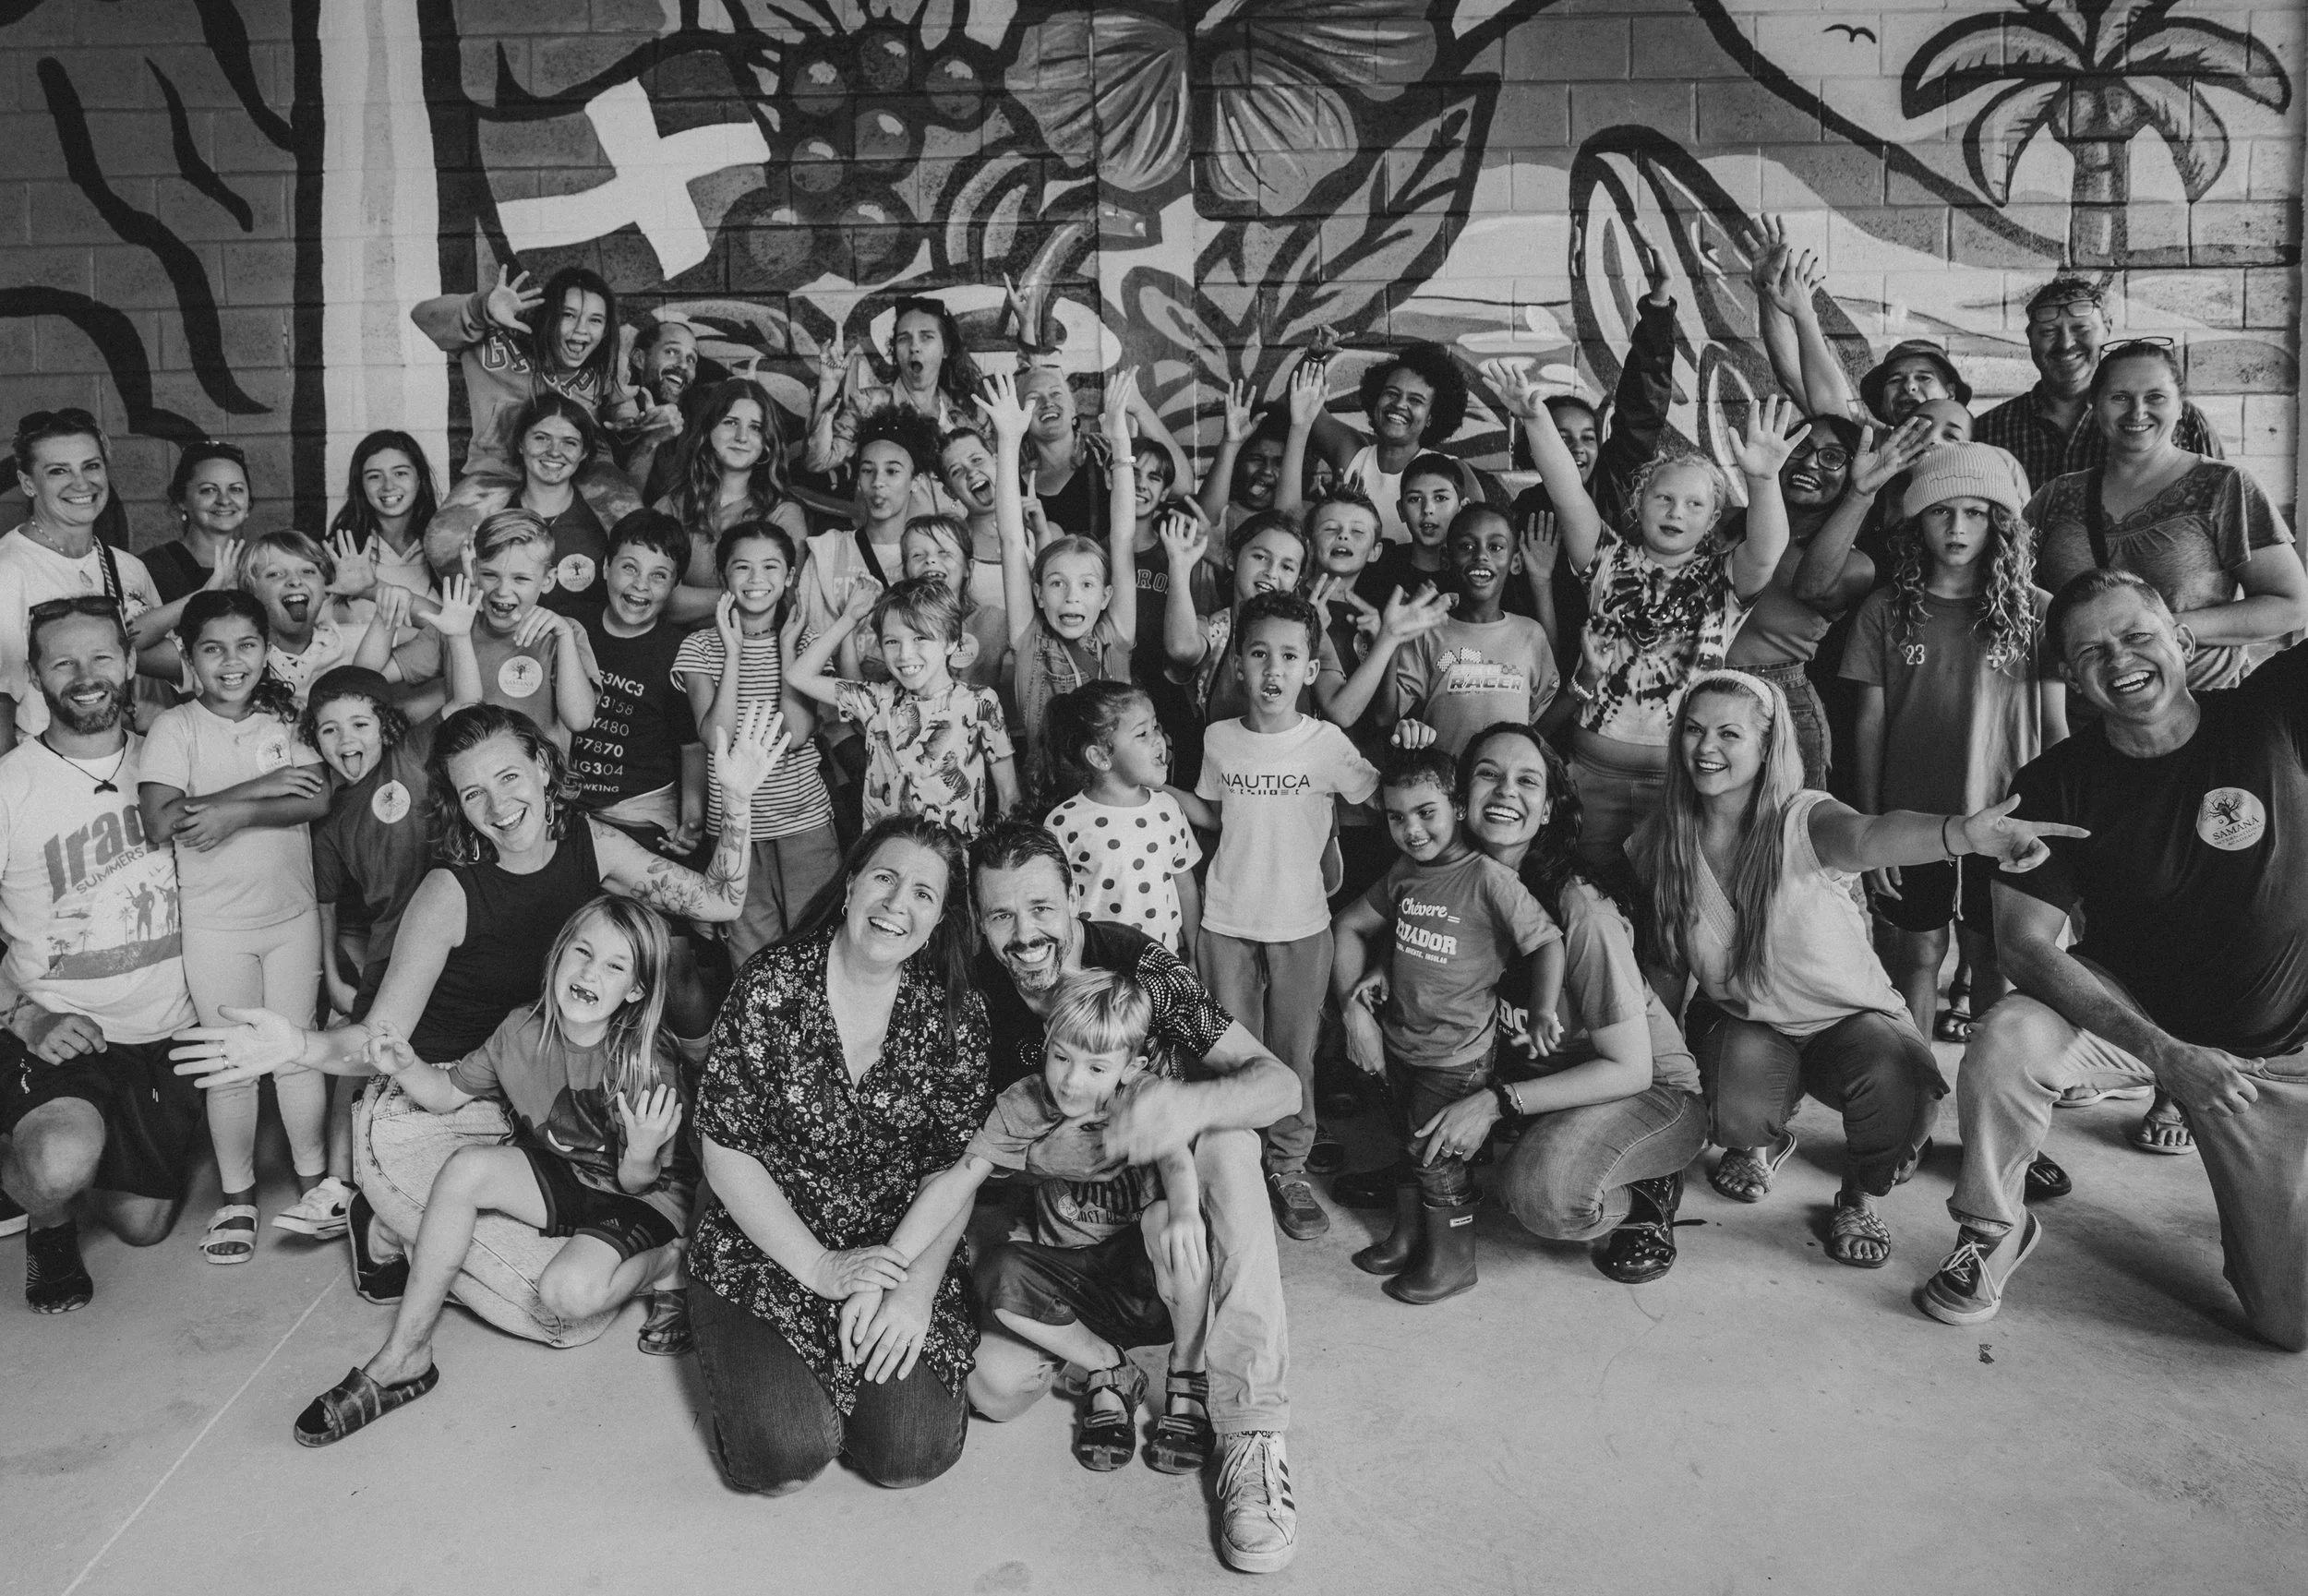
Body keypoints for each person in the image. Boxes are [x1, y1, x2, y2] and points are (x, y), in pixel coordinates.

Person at [168, 701, 787, 1341]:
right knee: (561, 1318)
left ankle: (396, 1228)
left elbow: (719, 901)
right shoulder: (449, 893)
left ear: (545, 768)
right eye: (473, 793)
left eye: (509, 777)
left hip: (523, 1088)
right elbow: (379, 1043)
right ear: (457, 806)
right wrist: (298, 1043)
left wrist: (736, 799)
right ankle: (376, 1215)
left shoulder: (591, 844)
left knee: (578, 1283)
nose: (497, 806)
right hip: (430, 1096)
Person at [1919, 570, 2308, 1346]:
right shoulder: (2056, 784)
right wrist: (2165, 1053)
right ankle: (1990, 1228)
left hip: (2282, 1053)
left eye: (2137, 636)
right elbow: (2026, 946)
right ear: (2071, 674)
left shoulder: (2273, 714)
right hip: (2141, 1023)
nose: (2120, 659)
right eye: (2091, 649)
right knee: (2008, 1036)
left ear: (2184, 638)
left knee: (2288, 1323)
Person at [1635, 669, 2081, 1268]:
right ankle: (1761, 1141)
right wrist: (1657, 1077)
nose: (1705, 747)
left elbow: (1872, 837)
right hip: (1746, 1022)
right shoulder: (1661, 841)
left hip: (1850, 1020)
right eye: (1692, 729)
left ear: (1768, 747)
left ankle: (1859, 1195)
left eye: (1728, 733)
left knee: (1908, 1091)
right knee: (1735, 1106)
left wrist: (1960, 835)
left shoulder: (1805, 818)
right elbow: (1664, 964)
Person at [967, 821, 1305, 1573]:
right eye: (999, 915)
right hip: (1067, 1242)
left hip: (1170, 1232)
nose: (1024, 936)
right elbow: (961, 1157)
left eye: (1041, 908)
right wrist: (1038, 1157)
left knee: (1230, 1139)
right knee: (991, 1384)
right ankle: (1106, 1369)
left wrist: (1183, 1109)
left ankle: (1251, 1428)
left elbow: (1279, 1084)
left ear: (1074, 900)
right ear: (977, 921)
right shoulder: (973, 993)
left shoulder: (1140, 968)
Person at [282, 896, 698, 1446]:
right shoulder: (520, 1030)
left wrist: (643, 1151)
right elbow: (444, 1093)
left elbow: (638, 1183)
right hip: (567, 1169)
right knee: (465, 1169)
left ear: (636, 991)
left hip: (640, 1192)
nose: (589, 973)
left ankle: (667, 1264)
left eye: (615, 966)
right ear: (558, 955)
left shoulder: (647, 1061)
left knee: (567, 1297)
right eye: (582, 952)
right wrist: (406, 1066)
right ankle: (406, 1354)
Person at [686, 817, 987, 1495]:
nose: (896, 904)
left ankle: (841, 1381)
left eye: (922, 894)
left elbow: (955, 1169)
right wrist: (820, 1267)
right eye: (884, 877)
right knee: (786, 1458)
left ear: (937, 921)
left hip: (896, 1250)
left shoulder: (953, 1013)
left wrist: (911, 1289)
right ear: (851, 884)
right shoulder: (771, 986)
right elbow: (725, 1146)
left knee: (909, 1454)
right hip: (771, 1247)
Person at [886, 967, 1212, 1472]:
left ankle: (1188, 1378)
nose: (1071, 1081)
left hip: (1147, 1284)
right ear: (1047, 1040)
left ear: (1132, 1066)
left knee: (1168, 1215)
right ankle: (1107, 1367)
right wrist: (894, 1263)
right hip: (1072, 1290)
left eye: (1096, 1068)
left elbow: (1174, 1160)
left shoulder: (1145, 1097)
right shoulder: (1024, 1104)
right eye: (1062, 1057)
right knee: (997, 1269)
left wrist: (1187, 1210)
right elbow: (958, 1181)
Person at [1512, 377, 1808, 867]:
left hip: (1680, 780)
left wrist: (1762, 480)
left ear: (1713, 520)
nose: (1677, 512)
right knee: (1589, 897)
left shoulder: (1725, 579)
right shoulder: (1606, 558)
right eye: (1663, 499)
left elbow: (1768, 548)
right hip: (1591, 772)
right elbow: (1567, 494)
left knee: (1667, 911)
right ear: (1638, 502)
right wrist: (1534, 418)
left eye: (1695, 505)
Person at [0, 601, 200, 1309]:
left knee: (144, 1226)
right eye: (63, 661)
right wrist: (24, 1018)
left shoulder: (173, 758)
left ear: (128, 661)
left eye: (101, 657)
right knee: (58, 1167)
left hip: (164, 1030)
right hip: (61, 1026)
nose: (86, 677)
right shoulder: (11, 785)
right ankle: (47, 1222)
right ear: (34, 675)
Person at [1844, 444, 2066, 1044]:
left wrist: (2056, 820)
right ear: (1917, 521)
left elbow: (2056, 727)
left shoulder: (2037, 612)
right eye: (1942, 512)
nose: (1958, 527)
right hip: (1911, 819)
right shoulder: (1885, 611)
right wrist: (1871, 827)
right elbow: (1868, 728)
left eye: (1975, 512)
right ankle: (1914, 1113)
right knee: (1915, 958)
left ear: (2000, 524)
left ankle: (1979, 1119)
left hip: (2007, 817)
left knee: (1994, 958)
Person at [138, 591, 332, 1264]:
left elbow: (318, 794)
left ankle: (315, 1184)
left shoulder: (285, 715)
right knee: (230, 1066)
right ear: (188, 658)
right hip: (217, 927)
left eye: (246, 645)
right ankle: (238, 1195)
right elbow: (164, 819)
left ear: (266, 651)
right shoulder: (177, 727)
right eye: (212, 649)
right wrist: (259, 789)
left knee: (298, 1054)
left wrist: (234, 812)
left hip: (292, 916)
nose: (231, 661)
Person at [1330, 746, 1562, 1303]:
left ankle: (1453, 1260)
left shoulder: (1488, 878)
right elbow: (1352, 924)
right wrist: (1357, 1002)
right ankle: (1409, 1236)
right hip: (1403, 1041)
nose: (1411, 829)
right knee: (1409, 1145)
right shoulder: (1406, 872)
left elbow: (1548, 940)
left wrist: (1543, 1010)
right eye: (1395, 816)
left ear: (1458, 806)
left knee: (1437, 1160)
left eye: (1426, 812)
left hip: (1457, 1054)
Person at [1194, 590, 1382, 1241]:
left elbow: (1378, 798)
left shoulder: (1327, 742)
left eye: (1290, 656)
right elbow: (1213, 815)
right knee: (1229, 1053)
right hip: (1226, 921)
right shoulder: (1219, 740)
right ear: (1239, 664)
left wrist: (1414, 743)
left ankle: (1288, 1164)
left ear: (1310, 667)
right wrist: (1146, 792)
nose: (1273, 670)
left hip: (1302, 925)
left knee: (1292, 1054)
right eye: (1259, 654)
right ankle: (1234, 1167)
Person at [672, 523, 839, 966]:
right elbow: (715, 738)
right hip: (732, 831)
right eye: (741, 567)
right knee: (752, 960)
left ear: (788, 577)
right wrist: (733, 653)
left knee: (819, 950)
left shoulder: (805, 643)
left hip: (803, 824)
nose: (755, 579)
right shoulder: (700, 647)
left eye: (770, 567)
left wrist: (787, 650)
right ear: (724, 578)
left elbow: (797, 734)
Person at [413, 265, 641, 558]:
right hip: (497, 468)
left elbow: (622, 404)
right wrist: (482, 308)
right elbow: (423, 315)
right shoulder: (494, 335)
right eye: (568, 316)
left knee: (636, 535)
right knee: (443, 544)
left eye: (595, 320)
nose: (582, 330)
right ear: (547, 316)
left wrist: (631, 422)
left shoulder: (606, 358)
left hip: (585, 466)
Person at [786, 575, 1019, 836]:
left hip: (955, 862)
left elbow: (1009, 795)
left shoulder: (980, 702)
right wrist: (848, 620)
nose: (905, 654)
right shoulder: (876, 700)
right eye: (892, 641)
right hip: (885, 857)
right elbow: (798, 676)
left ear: (952, 641)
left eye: (920, 638)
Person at [0, 409, 167, 751]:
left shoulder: (128, 567)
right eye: (59, 470)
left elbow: (157, 681)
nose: (81, 483)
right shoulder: (8, 569)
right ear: (28, 483)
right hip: (44, 771)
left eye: (91, 466)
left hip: (124, 764)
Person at [1975, 278, 2224, 492]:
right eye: (2049, 332)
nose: (2065, 343)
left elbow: (2222, 509)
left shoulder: (2182, 420)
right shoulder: (1989, 431)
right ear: (2029, 338)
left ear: (2106, 330)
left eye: (2081, 328)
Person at [568, 511, 703, 851]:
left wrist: (691, 822)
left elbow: (692, 746)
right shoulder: (571, 626)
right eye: (629, 568)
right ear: (605, 567)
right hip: (566, 802)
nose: (641, 585)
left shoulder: (679, 653)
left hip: (638, 812)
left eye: (659, 576)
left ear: (674, 586)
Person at [1041, 682, 1203, 957]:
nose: (1158, 740)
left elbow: (1185, 885)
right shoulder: (1063, 823)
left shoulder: (1168, 808)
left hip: (1164, 964)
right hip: (1098, 974)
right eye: (1142, 733)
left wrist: (1198, 953)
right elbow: (1052, 904)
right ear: (1101, 756)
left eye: (1155, 727)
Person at [1389, 505, 1560, 756]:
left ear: (1515, 562)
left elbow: (1539, 720)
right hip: (1443, 785)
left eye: (1495, 547)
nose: (1481, 555)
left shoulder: (1531, 634)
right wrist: (1391, 637)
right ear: (1446, 559)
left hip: (1505, 788)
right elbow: (1389, 714)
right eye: (1467, 546)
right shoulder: (1427, 632)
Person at [655, 377, 811, 624]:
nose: (742, 437)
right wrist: (747, 594)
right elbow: (655, 598)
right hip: (680, 652)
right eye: (730, 422)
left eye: (755, 428)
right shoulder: (672, 506)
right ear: (708, 431)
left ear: (767, 442)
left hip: (755, 655)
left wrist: (694, 600)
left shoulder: (783, 514)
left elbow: (788, 602)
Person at [1299, 343, 1470, 546]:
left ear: (1432, 417)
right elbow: (1302, 403)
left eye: (1415, 400)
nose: (1399, 405)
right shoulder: (1352, 452)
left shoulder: (1451, 470)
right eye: (1392, 393)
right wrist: (1314, 357)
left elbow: (1475, 540)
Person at [325, 429, 441, 603]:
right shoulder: (338, 553)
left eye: (400, 473)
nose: (388, 485)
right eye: (374, 476)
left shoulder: (445, 546)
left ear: (419, 479)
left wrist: (370, 589)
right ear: (360, 485)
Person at [144, 440, 249, 614]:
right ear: (182, 501)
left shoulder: (259, 565)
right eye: (208, 490)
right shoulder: (151, 567)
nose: (224, 500)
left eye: (236, 489)